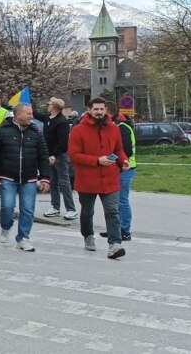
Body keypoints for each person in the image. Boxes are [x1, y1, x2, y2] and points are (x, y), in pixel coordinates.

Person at [68, 98, 129, 259]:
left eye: (102, 109)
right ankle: (88, 235)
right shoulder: (78, 130)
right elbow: (74, 155)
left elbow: (119, 149)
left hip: (109, 178)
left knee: (112, 211)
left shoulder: (114, 129)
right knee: (87, 212)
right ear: (89, 110)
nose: (99, 112)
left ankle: (114, 245)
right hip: (87, 179)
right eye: (96, 109)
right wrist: (96, 160)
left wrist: (123, 161)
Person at [0, 103, 51, 251]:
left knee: (27, 209)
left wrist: (45, 177)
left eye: (31, 113)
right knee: (7, 206)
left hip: (30, 178)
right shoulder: (2, 130)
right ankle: (6, 226)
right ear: (17, 115)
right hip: (7, 176)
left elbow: (43, 155)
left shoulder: (36, 132)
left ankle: (23, 238)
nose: (32, 116)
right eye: (28, 113)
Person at [42, 97, 77, 220]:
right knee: (54, 183)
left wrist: (54, 155)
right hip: (49, 155)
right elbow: (36, 115)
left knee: (64, 182)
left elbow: (63, 142)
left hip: (59, 156)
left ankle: (71, 209)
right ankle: (55, 207)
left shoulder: (62, 122)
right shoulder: (48, 118)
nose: (47, 105)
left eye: (49, 104)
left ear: (55, 107)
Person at [105, 101, 136, 242]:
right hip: (120, 168)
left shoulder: (122, 126)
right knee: (115, 201)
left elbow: (126, 150)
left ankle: (124, 230)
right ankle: (115, 229)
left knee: (122, 200)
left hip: (126, 169)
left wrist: (112, 159)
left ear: (107, 111)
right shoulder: (116, 124)